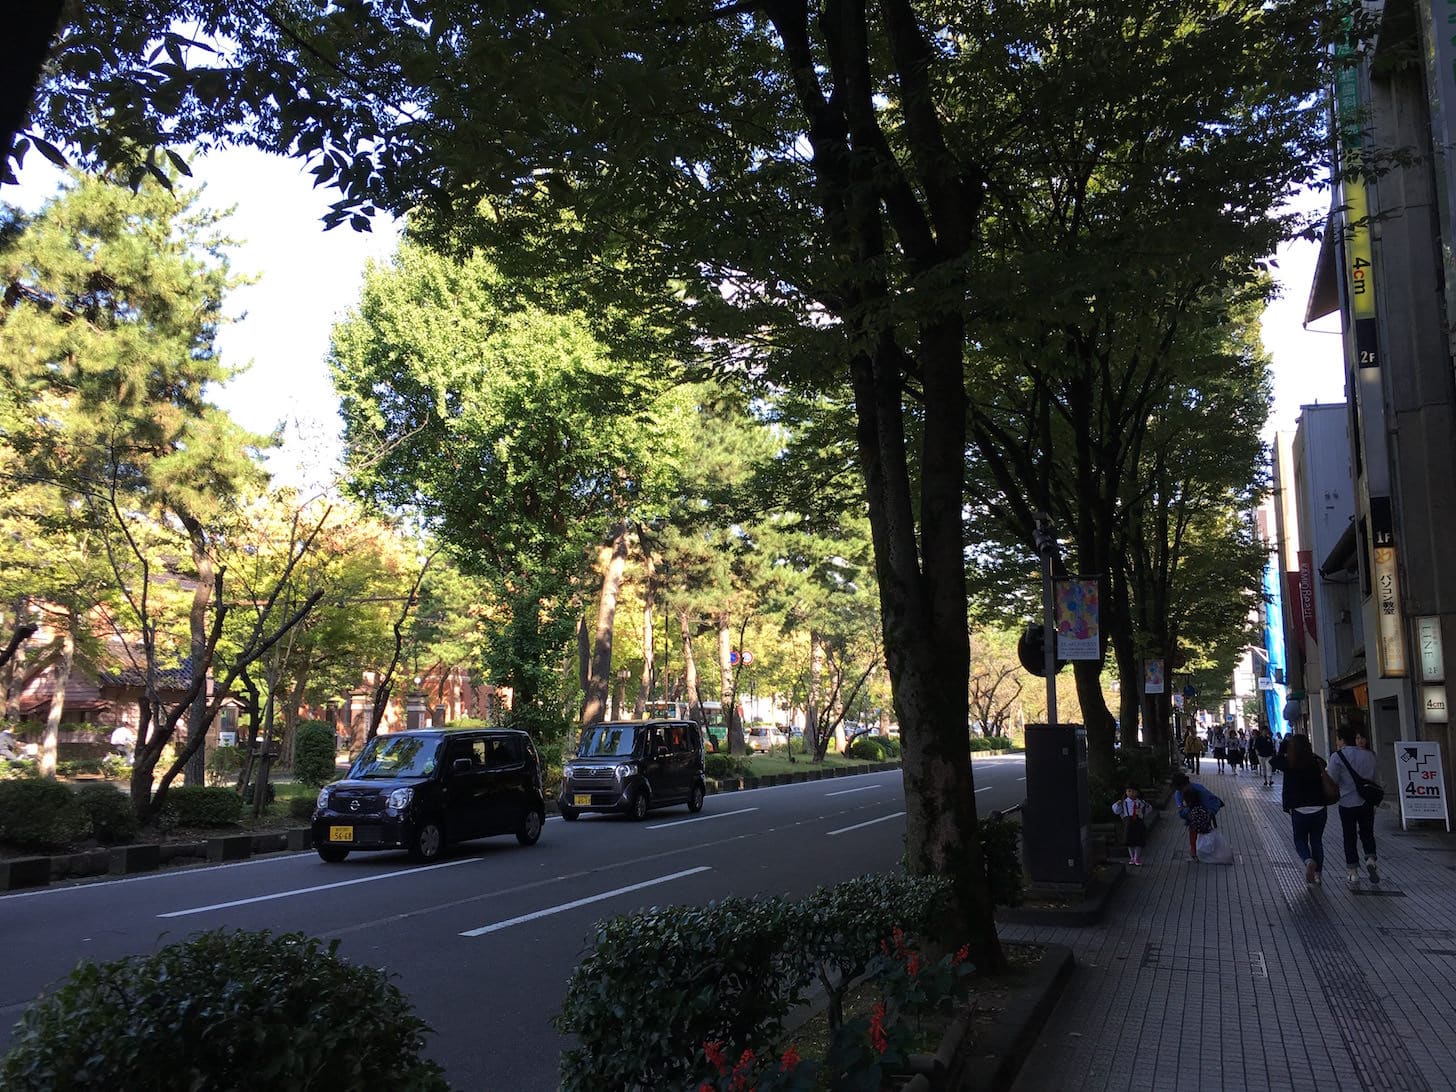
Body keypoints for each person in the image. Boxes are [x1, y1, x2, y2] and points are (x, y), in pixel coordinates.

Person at [1269, 733, 1330, 886]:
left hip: (1299, 808)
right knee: (1316, 841)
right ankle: (1318, 874)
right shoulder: (1315, 761)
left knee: (1299, 840)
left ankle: (1308, 861)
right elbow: (1324, 763)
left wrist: (1283, 747)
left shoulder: (1289, 762)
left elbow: (1273, 761)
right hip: (1319, 807)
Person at [1327, 725, 1380, 887]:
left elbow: (1332, 779)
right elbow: (1376, 777)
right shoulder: (1371, 755)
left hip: (1347, 802)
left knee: (1349, 836)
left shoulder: (1337, 757)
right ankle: (1371, 859)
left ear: (1343, 739)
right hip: (1367, 801)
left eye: (1338, 738)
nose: (1337, 741)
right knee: (1367, 832)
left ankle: (1353, 872)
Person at [1172, 771, 1220, 861]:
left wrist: (1208, 814)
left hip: (1203, 815)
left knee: (1203, 832)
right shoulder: (1179, 793)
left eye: (1181, 788)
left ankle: (1203, 852)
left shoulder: (1199, 790)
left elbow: (1211, 803)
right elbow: (1181, 810)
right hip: (1194, 817)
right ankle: (1195, 852)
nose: (1181, 790)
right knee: (1194, 832)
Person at [1112, 785, 1150, 866]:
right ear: (1126, 792)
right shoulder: (1124, 802)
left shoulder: (1141, 802)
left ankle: (1137, 857)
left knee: (1138, 841)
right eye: (1129, 791)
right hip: (1128, 824)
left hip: (1138, 823)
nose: (1131, 793)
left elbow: (1148, 809)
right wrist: (1117, 804)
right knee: (1130, 841)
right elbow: (1116, 811)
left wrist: (1143, 813)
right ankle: (1132, 857)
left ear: (1137, 792)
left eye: (1133, 791)